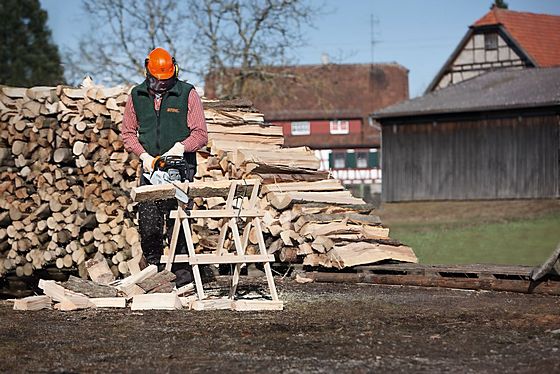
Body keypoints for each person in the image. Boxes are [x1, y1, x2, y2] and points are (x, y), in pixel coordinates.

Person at [122, 47, 208, 287]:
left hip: (181, 168)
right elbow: (128, 133)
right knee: (149, 221)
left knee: (178, 222)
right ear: (148, 72)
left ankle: (182, 278)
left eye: (166, 80)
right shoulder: (137, 95)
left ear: (174, 71)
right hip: (151, 168)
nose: (161, 85)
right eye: (157, 81)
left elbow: (201, 134)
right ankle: (153, 273)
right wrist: (143, 155)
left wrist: (181, 147)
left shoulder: (186, 93)